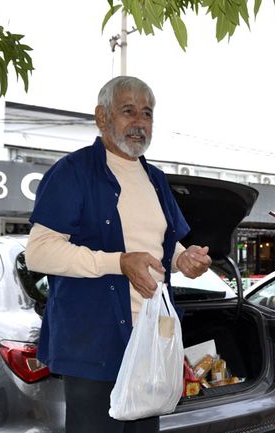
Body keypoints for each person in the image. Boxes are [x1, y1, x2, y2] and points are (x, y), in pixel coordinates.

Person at [25, 76, 212, 433]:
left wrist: (184, 259)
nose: (140, 122)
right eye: (129, 111)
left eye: (147, 114)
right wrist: (119, 262)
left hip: (151, 345)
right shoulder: (71, 173)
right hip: (93, 345)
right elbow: (39, 252)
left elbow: (163, 245)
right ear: (101, 117)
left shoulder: (155, 179)